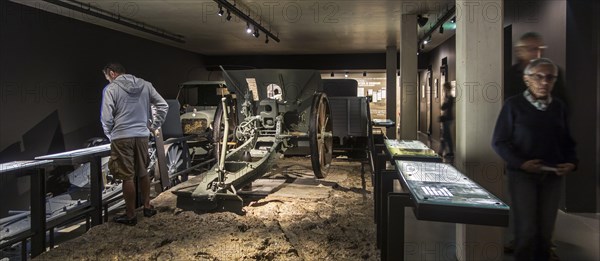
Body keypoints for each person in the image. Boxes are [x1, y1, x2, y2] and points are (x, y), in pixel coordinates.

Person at [492, 58, 577, 260]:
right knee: (527, 230)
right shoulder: (513, 105)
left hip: (553, 176)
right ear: (527, 79)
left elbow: (567, 141)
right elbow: (499, 141)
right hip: (522, 176)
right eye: (538, 77)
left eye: (550, 77)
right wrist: (521, 163)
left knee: (545, 232)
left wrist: (572, 162)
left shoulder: (558, 107)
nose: (544, 82)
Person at [101, 62, 168, 225]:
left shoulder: (111, 89)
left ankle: (130, 214)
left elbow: (106, 117)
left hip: (122, 136)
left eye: (107, 76)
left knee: (127, 176)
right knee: (143, 171)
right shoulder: (145, 85)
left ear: (112, 73)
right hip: (142, 135)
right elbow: (163, 105)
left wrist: (110, 134)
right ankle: (147, 206)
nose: (108, 80)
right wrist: (153, 126)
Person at [505, 32, 566, 102]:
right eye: (532, 49)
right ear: (520, 51)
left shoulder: (554, 71)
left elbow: (562, 102)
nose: (539, 54)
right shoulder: (510, 75)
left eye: (541, 49)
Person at [438, 82, 454, 158]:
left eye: (444, 88)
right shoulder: (447, 96)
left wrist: (444, 104)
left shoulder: (450, 97)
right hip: (446, 118)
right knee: (445, 135)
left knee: (446, 136)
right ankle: (442, 151)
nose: (443, 90)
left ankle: (448, 152)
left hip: (448, 119)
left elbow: (444, 107)